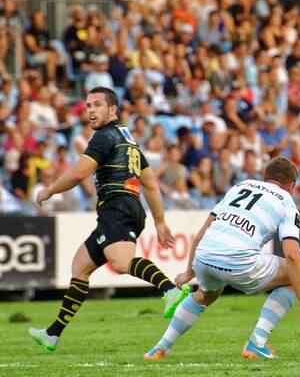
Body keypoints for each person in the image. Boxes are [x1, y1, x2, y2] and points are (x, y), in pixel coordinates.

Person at [29, 87, 191, 351]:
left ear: (112, 110)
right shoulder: (128, 139)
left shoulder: (104, 136)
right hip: (125, 206)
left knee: (120, 262)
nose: (90, 110)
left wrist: (49, 190)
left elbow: (78, 173)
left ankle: (169, 289)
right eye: (88, 105)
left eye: (97, 105)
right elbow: (149, 183)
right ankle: (53, 333)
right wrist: (159, 222)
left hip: (117, 206)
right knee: (80, 267)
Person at [143, 157, 300, 360]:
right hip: (238, 261)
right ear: (292, 185)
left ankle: (160, 347)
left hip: (205, 256)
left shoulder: (241, 185)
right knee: (293, 275)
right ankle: (257, 343)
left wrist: (189, 273)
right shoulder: (286, 201)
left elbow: (201, 234)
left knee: (205, 295)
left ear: (265, 177)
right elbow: (292, 254)